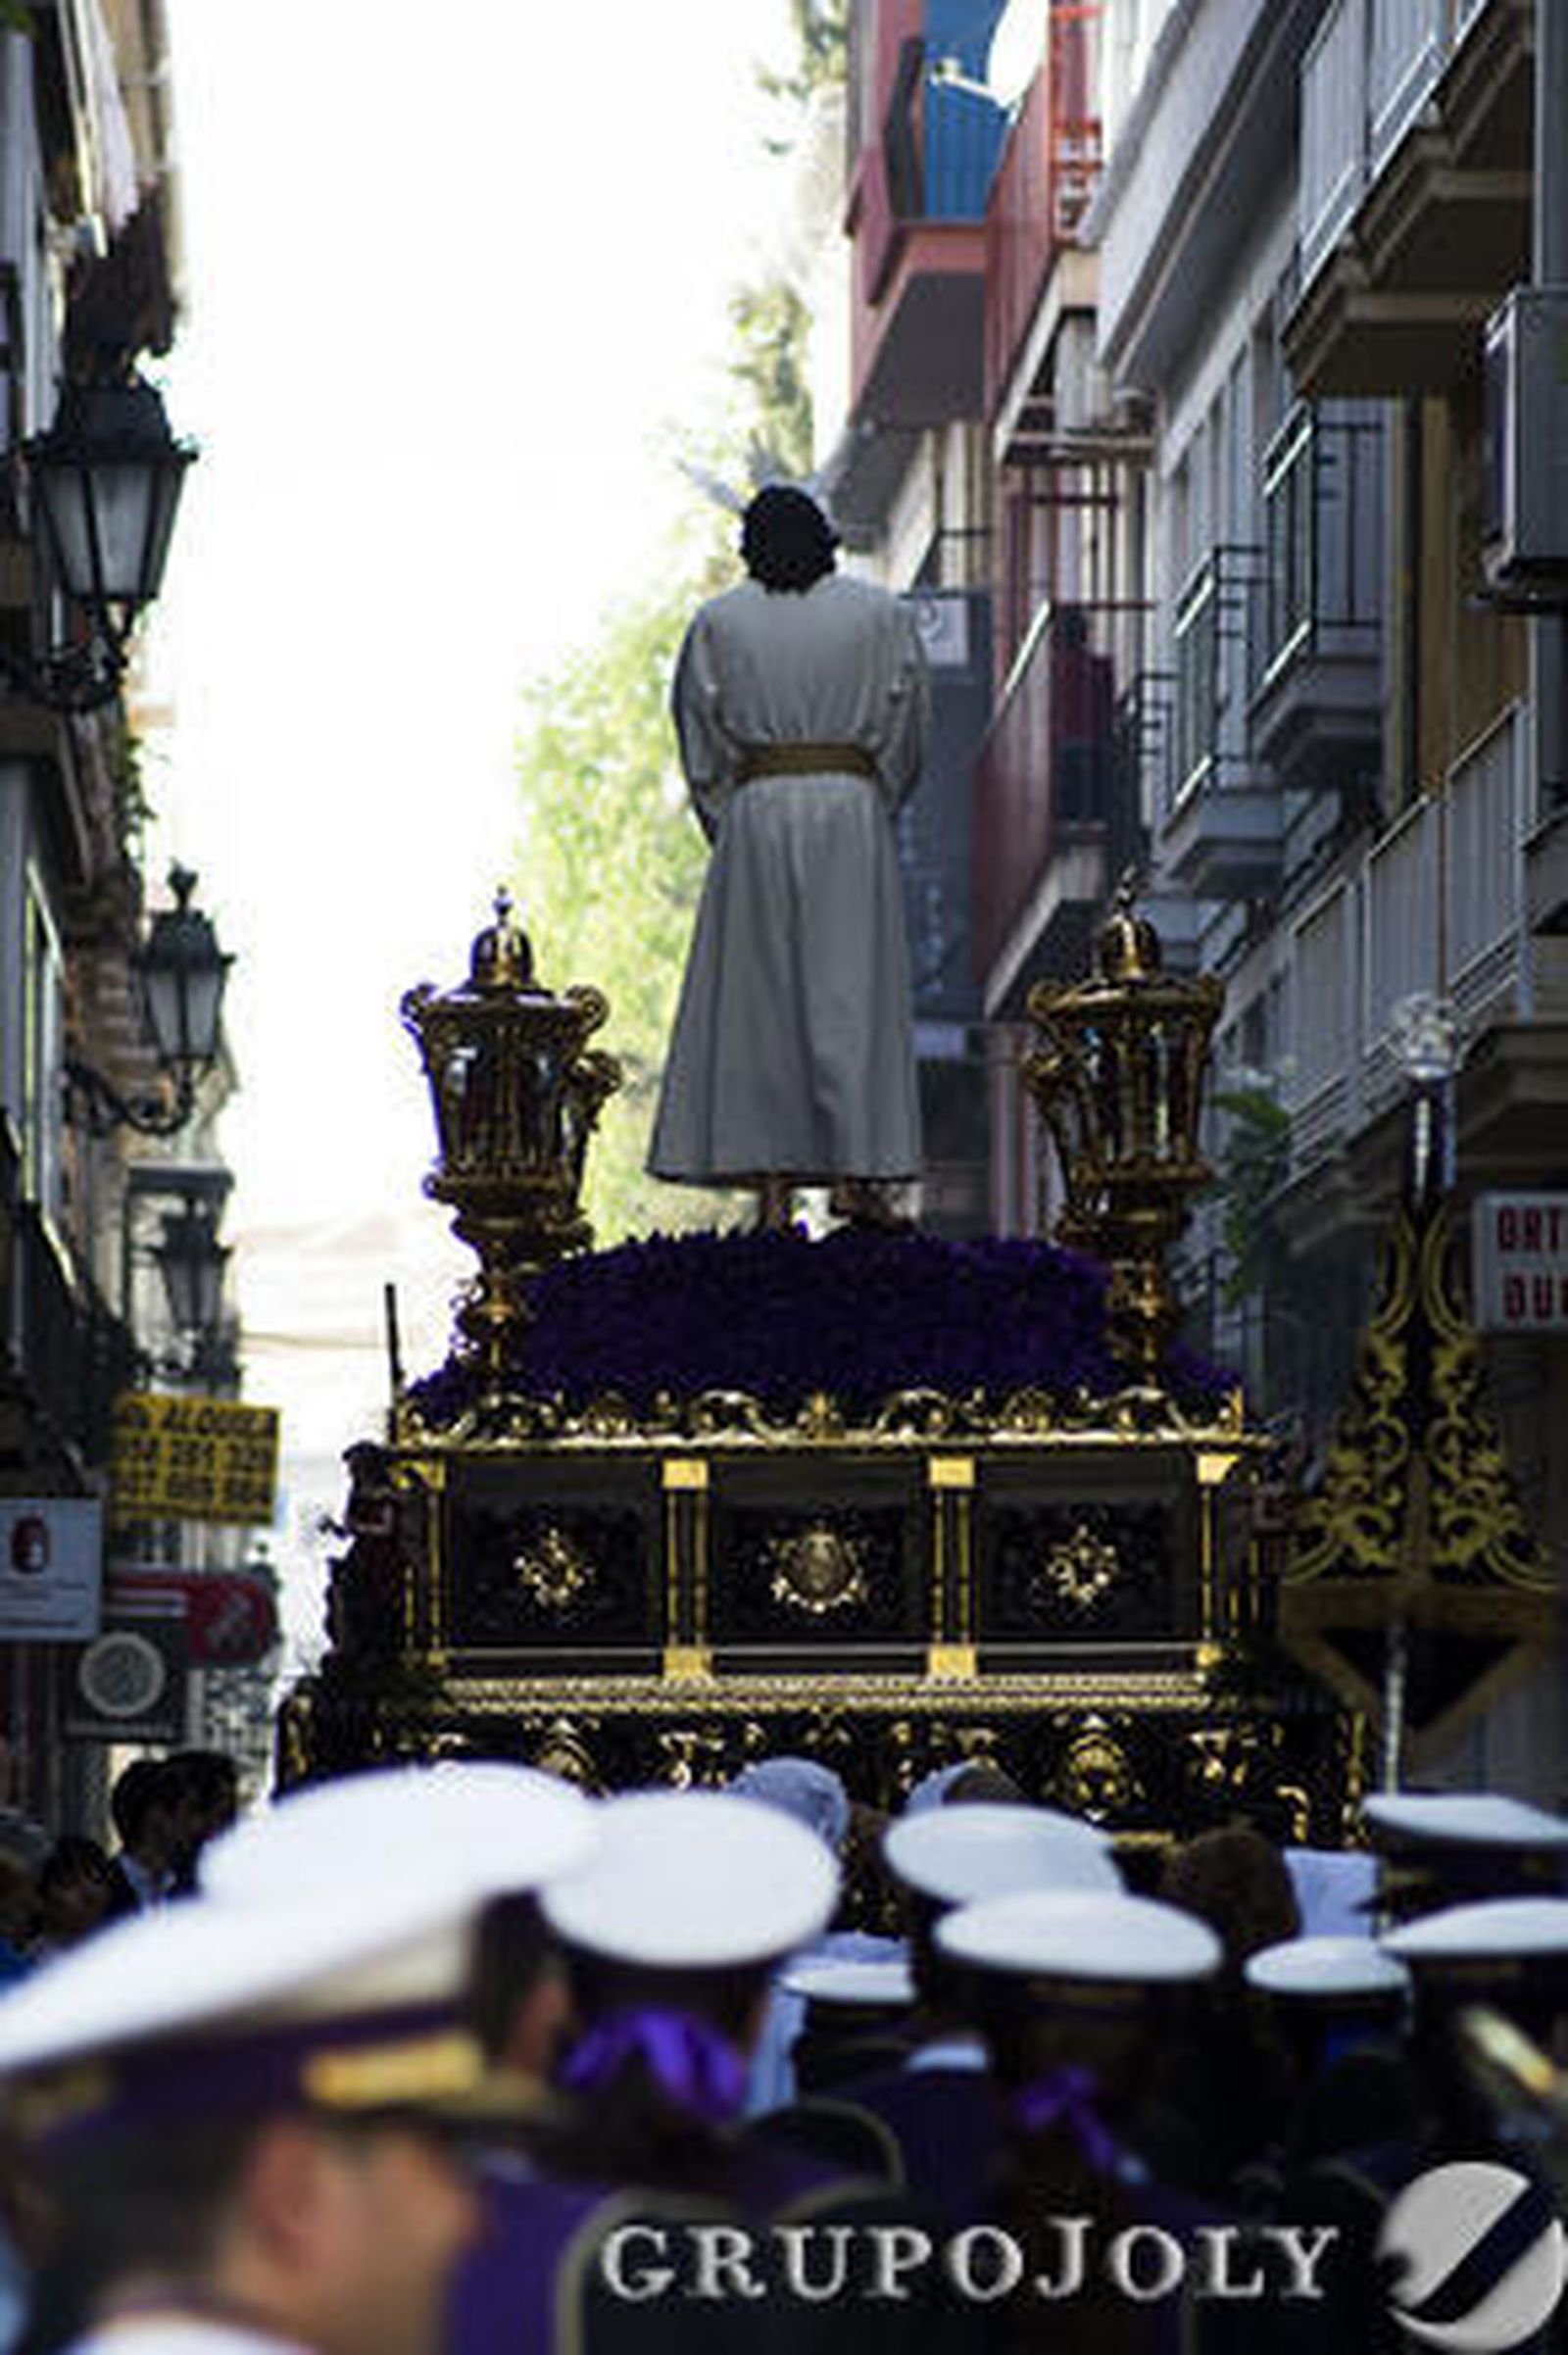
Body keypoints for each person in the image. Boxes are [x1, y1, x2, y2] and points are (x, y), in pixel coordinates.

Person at [649, 484, 930, 1233]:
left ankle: (771, 1189)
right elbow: (908, 732)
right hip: (849, 812)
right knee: (851, 994)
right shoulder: (883, 617)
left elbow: (700, 743)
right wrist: (871, 799)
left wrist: (733, 818)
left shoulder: (718, 623)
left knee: (759, 1006)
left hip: (759, 813)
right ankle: (853, 1173)